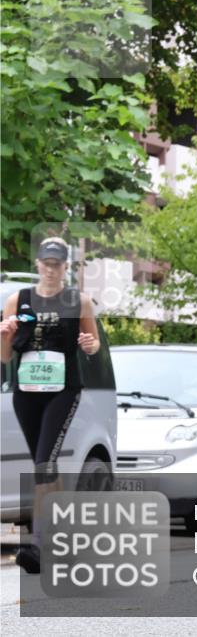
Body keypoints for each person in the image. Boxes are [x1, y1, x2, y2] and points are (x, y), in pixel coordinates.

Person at [0, 237, 101, 574]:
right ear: (38, 264)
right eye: (46, 263)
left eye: (57, 264)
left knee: (44, 464)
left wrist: (88, 343)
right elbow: (4, 357)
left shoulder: (78, 301)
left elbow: (93, 346)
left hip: (63, 390)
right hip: (26, 392)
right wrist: (4, 335)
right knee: (46, 466)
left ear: (65, 267)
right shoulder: (17, 300)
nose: (51, 269)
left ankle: (41, 544)